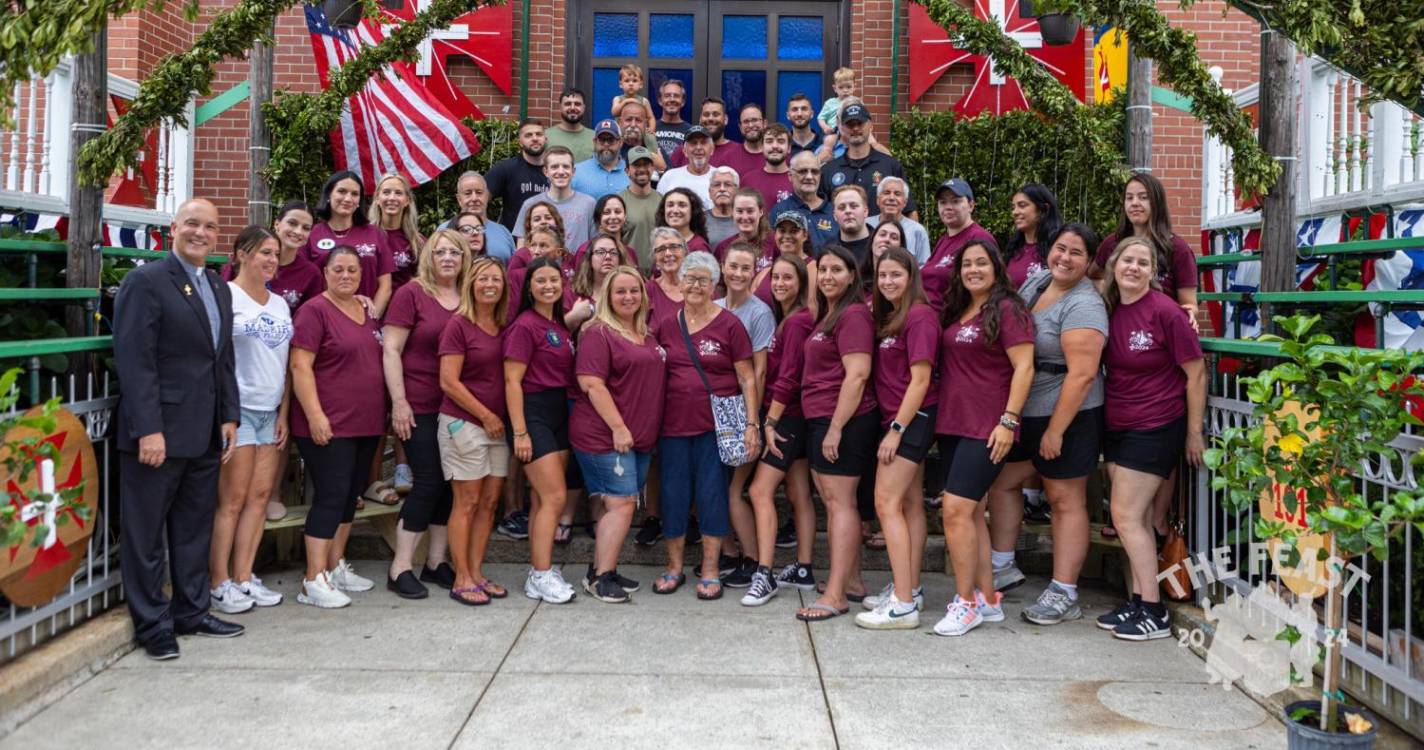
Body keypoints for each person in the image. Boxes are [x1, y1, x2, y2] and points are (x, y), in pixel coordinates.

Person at [114, 198, 243, 660]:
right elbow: (136, 362)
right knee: (146, 534)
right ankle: (153, 625)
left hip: (205, 431)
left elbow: (221, 358)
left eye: (210, 226)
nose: (201, 233)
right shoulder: (145, 282)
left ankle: (192, 611)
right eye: (192, 223)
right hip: (158, 435)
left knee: (193, 529)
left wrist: (229, 415)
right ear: (173, 228)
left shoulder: (216, 284)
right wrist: (148, 428)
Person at [973, 223, 1107, 627]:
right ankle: (1003, 565)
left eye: (1076, 253)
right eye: (1061, 249)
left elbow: (1082, 375)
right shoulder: (1036, 281)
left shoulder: (1085, 305)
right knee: (1004, 482)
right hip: (1024, 410)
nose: (1065, 258)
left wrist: (1055, 430)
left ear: (1089, 262)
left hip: (1068, 413)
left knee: (1064, 499)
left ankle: (1064, 591)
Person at [1097, 237, 1206, 641]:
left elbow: (1195, 372)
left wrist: (1193, 433)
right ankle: (1140, 597)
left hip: (1157, 423)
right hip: (1118, 423)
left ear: (1152, 271)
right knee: (1135, 519)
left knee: (1125, 516)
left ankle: (1155, 612)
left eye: (1143, 263)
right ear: (1114, 264)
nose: (1134, 268)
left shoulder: (1166, 312)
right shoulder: (1109, 308)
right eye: (1128, 260)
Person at [932, 239, 1035, 637]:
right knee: (972, 513)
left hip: (989, 426)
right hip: (955, 423)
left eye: (981, 263)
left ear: (996, 267)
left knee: (955, 510)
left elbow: (1024, 368)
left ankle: (965, 603)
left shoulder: (1008, 309)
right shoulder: (960, 309)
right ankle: (988, 599)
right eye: (966, 264)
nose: (973, 269)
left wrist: (1009, 422)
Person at [1091, 172, 1200, 543]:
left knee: (1158, 447)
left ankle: (1152, 521)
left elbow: (1189, 302)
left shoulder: (1176, 248)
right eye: (1129, 197)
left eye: (1143, 197)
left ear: (1156, 202)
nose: (1135, 203)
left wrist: (1186, 314)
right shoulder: (1111, 245)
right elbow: (1094, 283)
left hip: (1161, 347)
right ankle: (1130, 518)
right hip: (1123, 352)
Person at [652, 251, 760, 600]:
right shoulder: (667, 324)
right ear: (679, 282)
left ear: (715, 285)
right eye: (690, 279)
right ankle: (674, 567)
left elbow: (747, 378)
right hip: (672, 427)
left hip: (717, 428)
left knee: (712, 496)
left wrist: (752, 424)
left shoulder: (730, 324)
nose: (696, 286)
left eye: (703, 280)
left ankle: (712, 569)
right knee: (673, 496)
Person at [289, 245, 387, 609]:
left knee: (349, 498)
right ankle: (312, 579)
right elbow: (300, 367)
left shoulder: (366, 309)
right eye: (338, 270)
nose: (346, 276)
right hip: (329, 423)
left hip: (365, 422)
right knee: (330, 497)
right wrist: (315, 415)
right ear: (325, 273)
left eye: (353, 270)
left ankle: (334, 566)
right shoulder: (314, 311)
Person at [381, 230, 470, 599]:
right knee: (429, 480)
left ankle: (436, 562)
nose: (448, 258)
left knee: (450, 483)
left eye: (455, 252)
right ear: (429, 257)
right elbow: (390, 350)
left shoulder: (467, 296)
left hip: (458, 406)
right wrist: (399, 402)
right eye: (440, 252)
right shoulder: (411, 294)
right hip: (418, 404)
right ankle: (400, 566)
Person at [854, 247, 939, 629]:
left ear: (911, 276)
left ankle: (903, 605)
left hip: (911, 420)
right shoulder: (894, 315)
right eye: (882, 275)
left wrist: (897, 430)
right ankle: (911, 587)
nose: (888, 281)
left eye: (895, 275)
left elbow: (921, 380)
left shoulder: (919, 316)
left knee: (885, 502)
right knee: (908, 504)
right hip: (903, 419)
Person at [209, 226, 292, 615]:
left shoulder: (280, 304)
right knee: (232, 500)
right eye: (265, 253)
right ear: (242, 254)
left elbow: (287, 364)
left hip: (269, 412)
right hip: (237, 410)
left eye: (275, 254)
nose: (272, 260)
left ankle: (244, 576)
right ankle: (218, 581)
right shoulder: (226, 296)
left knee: (259, 498)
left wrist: (284, 414)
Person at [794, 244, 879, 622]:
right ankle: (854, 582)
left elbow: (858, 374)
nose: (828, 276)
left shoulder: (854, 315)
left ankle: (835, 595)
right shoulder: (830, 314)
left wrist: (836, 428)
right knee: (834, 502)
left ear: (852, 276)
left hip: (843, 419)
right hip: (823, 417)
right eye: (823, 270)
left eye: (836, 270)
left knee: (839, 504)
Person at [572, 267, 667, 602]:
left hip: (639, 439)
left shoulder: (647, 333)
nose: (629, 297)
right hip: (606, 435)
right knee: (623, 504)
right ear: (608, 298)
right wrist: (618, 426)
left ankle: (601, 569)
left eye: (634, 291)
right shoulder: (599, 333)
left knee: (622, 504)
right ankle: (602, 578)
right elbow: (591, 383)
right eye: (620, 292)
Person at [742, 254, 818, 605]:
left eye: (788, 278)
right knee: (799, 492)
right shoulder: (786, 318)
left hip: (787, 416)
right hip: (794, 414)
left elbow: (787, 378)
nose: (781, 283)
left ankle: (764, 572)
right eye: (776, 278)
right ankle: (803, 568)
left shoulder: (799, 321)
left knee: (759, 491)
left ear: (802, 282)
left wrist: (768, 421)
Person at [438, 256, 514, 606]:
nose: (490, 285)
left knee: (489, 502)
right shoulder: (459, 324)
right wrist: (485, 415)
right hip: (465, 423)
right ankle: (461, 576)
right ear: (471, 283)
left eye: (496, 280)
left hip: (497, 426)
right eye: (483, 278)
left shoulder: (505, 325)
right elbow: (449, 382)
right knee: (466, 502)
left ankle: (478, 572)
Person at [504, 256, 579, 603]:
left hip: (558, 410)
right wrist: (519, 431)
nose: (548, 286)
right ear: (529, 287)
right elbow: (512, 380)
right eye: (541, 281)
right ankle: (541, 573)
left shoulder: (560, 325)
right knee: (554, 497)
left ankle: (540, 567)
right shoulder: (524, 325)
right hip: (532, 411)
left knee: (540, 498)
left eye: (554, 280)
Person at [714, 243, 777, 588]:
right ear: (722, 267)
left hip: (744, 410)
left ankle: (753, 559)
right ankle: (730, 553)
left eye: (745, 268)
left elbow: (759, 372)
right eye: (733, 266)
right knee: (716, 485)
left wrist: (755, 421)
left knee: (735, 488)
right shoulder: (714, 307)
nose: (738, 274)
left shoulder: (759, 312)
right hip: (715, 409)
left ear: (754, 272)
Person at [307, 171, 395, 317]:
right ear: (329, 194)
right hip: (324, 318)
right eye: (342, 191)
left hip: (365, 319)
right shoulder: (312, 234)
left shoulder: (375, 234)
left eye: (354, 194)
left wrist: (371, 319)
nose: (348, 198)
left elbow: (385, 286)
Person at [228, 200, 322, 315]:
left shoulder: (311, 274)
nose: (298, 231)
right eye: (292, 223)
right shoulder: (246, 260)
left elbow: (311, 318)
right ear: (277, 224)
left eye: (306, 228)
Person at [819, 104, 910, 216]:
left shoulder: (890, 165)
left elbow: (909, 209)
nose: (855, 128)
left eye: (860, 123)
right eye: (850, 124)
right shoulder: (829, 170)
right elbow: (820, 215)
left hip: (882, 233)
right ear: (842, 129)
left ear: (870, 126)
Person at [922, 178, 995, 311]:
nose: (948, 207)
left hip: (949, 317)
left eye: (956, 201)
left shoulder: (979, 238)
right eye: (943, 202)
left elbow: (984, 290)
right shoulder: (943, 240)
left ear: (971, 205)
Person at [512, 146, 596, 253]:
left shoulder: (588, 204)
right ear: (546, 171)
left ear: (573, 171)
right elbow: (521, 248)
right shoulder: (530, 204)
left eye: (565, 166)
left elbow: (595, 244)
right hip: (540, 268)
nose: (560, 171)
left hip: (577, 268)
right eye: (554, 167)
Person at [485, 120, 551, 230]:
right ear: (520, 142)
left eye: (539, 134)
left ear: (545, 139)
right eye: (528, 135)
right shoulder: (506, 169)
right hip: (514, 242)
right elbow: (479, 199)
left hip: (549, 240)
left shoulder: (557, 171)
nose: (534, 138)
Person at [772, 151, 838, 252]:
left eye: (815, 172)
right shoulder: (778, 211)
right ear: (790, 176)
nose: (809, 177)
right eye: (803, 171)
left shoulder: (835, 212)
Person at [1004, 183, 1064, 288]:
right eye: (1013, 207)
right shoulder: (1013, 249)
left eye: (1022, 205)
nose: (1015, 212)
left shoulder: (1059, 248)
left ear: (1043, 210)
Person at [447, 171, 516, 260]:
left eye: (479, 192)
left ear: (487, 196)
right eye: (468, 193)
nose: (474, 198)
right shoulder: (445, 230)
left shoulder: (503, 233)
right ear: (459, 199)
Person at [753, 211, 817, 306]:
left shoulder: (815, 269)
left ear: (805, 235)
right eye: (782, 231)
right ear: (775, 235)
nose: (787, 236)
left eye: (794, 231)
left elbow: (812, 311)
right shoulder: (764, 273)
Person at [371, 173, 423, 289]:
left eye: (398, 193)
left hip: (403, 305)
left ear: (407, 201)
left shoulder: (418, 242)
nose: (392, 198)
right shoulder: (364, 236)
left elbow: (425, 281)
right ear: (377, 199)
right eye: (386, 192)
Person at [866, 177, 930, 266]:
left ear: (905, 202)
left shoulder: (917, 230)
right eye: (886, 193)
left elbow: (924, 266)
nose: (891, 198)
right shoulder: (866, 225)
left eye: (897, 194)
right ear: (878, 200)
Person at [618, 147, 661, 269]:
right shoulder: (618, 202)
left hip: (659, 276)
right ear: (627, 170)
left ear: (652, 168)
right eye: (636, 165)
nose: (642, 169)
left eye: (646, 164)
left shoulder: (663, 201)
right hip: (629, 274)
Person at [714, 188, 777, 271]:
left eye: (750, 211)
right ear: (732, 212)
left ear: (761, 211)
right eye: (739, 211)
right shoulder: (723, 247)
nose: (745, 217)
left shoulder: (775, 243)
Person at [570, 194, 638, 271]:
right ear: (599, 218)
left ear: (625, 216)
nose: (613, 217)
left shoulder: (630, 253)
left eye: (617, 212)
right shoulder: (586, 250)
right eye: (607, 212)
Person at [658, 125, 715, 209]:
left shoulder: (720, 178)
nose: (698, 147)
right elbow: (660, 212)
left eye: (703, 142)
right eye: (693, 143)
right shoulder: (669, 177)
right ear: (684, 151)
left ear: (712, 149)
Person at [572, 118, 630, 199]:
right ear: (594, 142)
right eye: (602, 140)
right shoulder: (576, 172)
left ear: (620, 142)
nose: (606, 144)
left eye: (611, 140)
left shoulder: (631, 172)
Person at [740, 123, 794, 210]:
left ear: (789, 148)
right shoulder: (748, 180)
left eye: (780, 141)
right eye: (769, 141)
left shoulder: (798, 180)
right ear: (762, 147)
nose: (775, 146)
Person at [645, 227, 687, 325]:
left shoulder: (698, 286)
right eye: (661, 249)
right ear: (654, 257)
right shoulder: (647, 291)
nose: (668, 253)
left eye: (674, 247)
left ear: (685, 252)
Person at [543, 88, 595, 163]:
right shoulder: (545, 136)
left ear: (584, 108)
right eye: (567, 104)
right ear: (560, 107)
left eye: (577, 104)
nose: (572, 108)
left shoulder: (595, 138)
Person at [656, 188, 712, 254]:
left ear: (693, 211)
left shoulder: (699, 247)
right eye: (670, 205)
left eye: (682, 205)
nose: (675, 210)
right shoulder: (660, 242)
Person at [616, 99, 667, 171]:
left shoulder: (654, 145)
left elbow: (670, 175)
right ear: (620, 122)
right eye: (628, 120)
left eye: (638, 120)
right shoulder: (613, 146)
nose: (633, 125)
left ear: (646, 124)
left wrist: (662, 169)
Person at [831, 185, 872, 264]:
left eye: (854, 206)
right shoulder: (828, 249)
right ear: (834, 216)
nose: (848, 211)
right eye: (842, 207)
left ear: (865, 211)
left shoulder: (881, 244)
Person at [654, 78, 692, 159]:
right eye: (667, 96)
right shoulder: (650, 128)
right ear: (660, 101)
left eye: (676, 96)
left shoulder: (691, 132)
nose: (672, 99)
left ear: (683, 102)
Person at [727, 103, 767, 177]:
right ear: (740, 127)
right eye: (746, 122)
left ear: (764, 123)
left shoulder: (776, 156)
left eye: (755, 120)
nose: (751, 125)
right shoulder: (728, 159)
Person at [610, 63, 654, 130]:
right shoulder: (618, 99)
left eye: (634, 81)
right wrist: (626, 101)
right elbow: (614, 113)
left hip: (638, 133)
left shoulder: (644, 101)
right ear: (621, 84)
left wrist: (651, 128)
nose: (631, 84)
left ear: (641, 84)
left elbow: (651, 117)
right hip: (620, 135)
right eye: (627, 81)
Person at [705, 167, 740, 248]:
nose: (722, 189)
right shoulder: (699, 220)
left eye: (727, 185)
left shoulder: (745, 219)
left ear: (737, 191)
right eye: (717, 185)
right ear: (710, 192)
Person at [786, 92, 823, 157]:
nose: (799, 114)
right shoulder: (783, 144)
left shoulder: (823, 143)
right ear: (788, 115)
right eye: (794, 109)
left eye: (804, 109)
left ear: (812, 114)